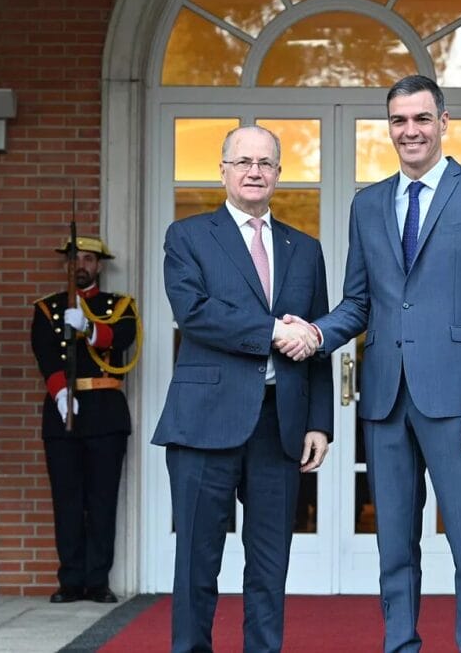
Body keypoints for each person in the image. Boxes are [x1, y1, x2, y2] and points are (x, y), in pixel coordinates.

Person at [284, 75, 461, 653]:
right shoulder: (367, 204)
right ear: (388, 127)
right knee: (393, 544)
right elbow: (359, 302)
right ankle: (400, 645)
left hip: (459, 399)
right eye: (399, 120)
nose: (410, 131)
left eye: (421, 119)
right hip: (386, 399)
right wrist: (315, 333)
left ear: (443, 122)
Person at [153, 125, 333, 653]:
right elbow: (195, 313)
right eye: (244, 162)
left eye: (265, 163)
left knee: (270, 565)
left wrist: (320, 422)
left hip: (279, 424)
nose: (255, 171)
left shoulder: (305, 249)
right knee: (197, 562)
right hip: (203, 422)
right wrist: (274, 330)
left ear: (278, 173)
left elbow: (317, 339)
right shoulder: (187, 236)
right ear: (223, 171)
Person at [31, 235, 139, 604]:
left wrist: (89, 329)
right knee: (67, 501)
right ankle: (71, 580)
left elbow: (123, 337)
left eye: (89, 259)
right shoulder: (47, 308)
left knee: (102, 500)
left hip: (105, 413)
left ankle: (97, 581)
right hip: (63, 411)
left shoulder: (118, 305)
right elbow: (45, 353)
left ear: (99, 266)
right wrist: (61, 394)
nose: (81, 265)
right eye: (75, 258)